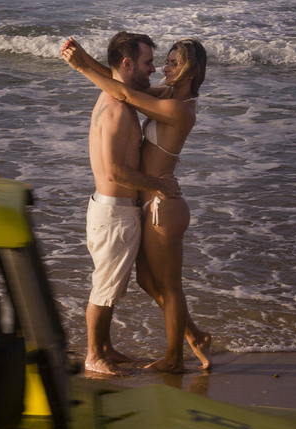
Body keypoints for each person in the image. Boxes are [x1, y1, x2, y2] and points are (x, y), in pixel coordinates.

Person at [63, 35, 212, 373]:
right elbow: (121, 82)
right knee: (147, 281)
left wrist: (82, 67)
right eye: (164, 61)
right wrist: (85, 61)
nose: (164, 68)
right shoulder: (167, 95)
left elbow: (126, 93)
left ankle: (175, 357)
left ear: (190, 70)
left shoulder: (180, 108)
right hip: (147, 201)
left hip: (162, 205)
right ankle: (195, 335)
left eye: (173, 63)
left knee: (170, 286)